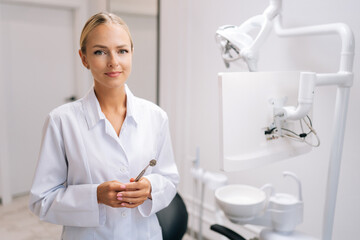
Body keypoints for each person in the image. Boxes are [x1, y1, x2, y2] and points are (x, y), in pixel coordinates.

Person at [29, 12, 179, 240]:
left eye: (122, 51)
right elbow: (41, 201)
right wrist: (95, 196)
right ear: (84, 58)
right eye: (100, 51)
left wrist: (150, 188)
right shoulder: (61, 121)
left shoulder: (156, 117)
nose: (113, 61)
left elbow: (169, 180)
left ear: (131, 54)